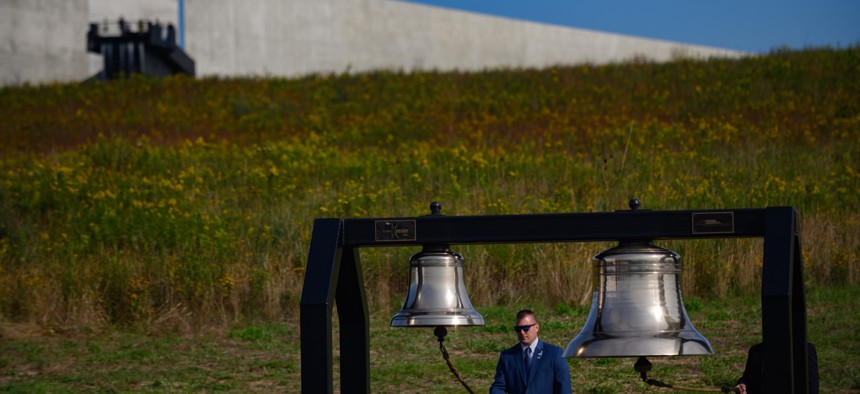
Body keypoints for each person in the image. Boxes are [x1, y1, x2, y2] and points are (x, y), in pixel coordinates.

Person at [490, 309, 571, 394]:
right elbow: (499, 386)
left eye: (526, 328)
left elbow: (564, 388)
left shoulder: (554, 354)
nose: (522, 332)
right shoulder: (507, 356)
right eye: (518, 329)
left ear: (536, 327)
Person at [734, 342, 819, 394]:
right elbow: (747, 379)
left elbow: (812, 387)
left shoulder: (804, 350)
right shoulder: (756, 351)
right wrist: (742, 385)